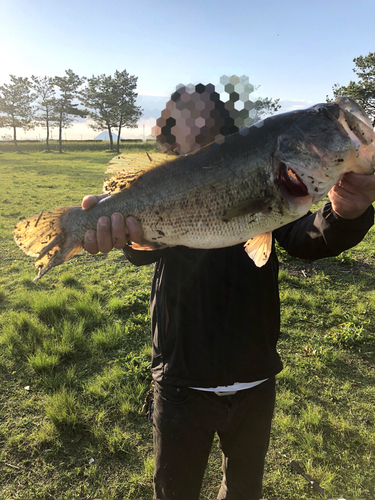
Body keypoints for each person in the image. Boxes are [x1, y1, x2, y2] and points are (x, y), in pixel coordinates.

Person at [82, 172, 375, 500]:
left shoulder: (261, 173)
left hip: (255, 378)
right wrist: (118, 228)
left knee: (244, 491)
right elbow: (142, 251)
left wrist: (344, 215)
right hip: (181, 379)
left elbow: (305, 235)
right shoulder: (173, 174)